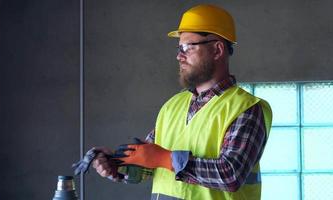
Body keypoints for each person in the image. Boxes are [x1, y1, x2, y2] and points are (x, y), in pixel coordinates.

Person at [92, 4, 272, 200]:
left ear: (217, 49)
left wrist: (164, 158)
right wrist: (117, 164)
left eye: (187, 47)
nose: (179, 56)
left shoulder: (246, 108)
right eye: (179, 48)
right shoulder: (173, 106)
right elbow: (149, 166)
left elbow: (230, 175)